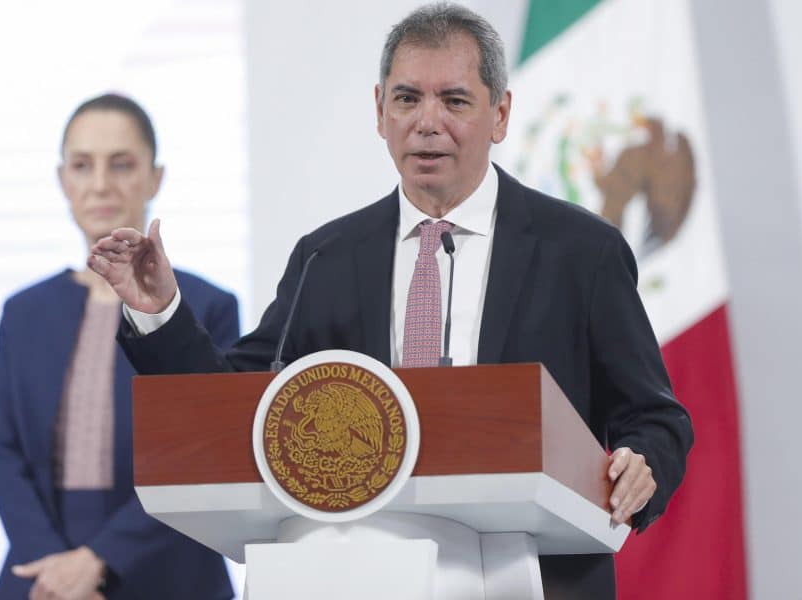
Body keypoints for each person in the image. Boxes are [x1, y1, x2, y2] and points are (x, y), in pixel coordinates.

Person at [89, 4, 694, 598]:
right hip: (356, 576)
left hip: (535, 575)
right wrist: (160, 309)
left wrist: (642, 462)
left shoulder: (580, 252)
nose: (427, 122)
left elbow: (655, 417)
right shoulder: (326, 257)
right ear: (380, 112)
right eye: (407, 99)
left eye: (454, 100)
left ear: (500, 113)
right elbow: (234, 409)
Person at [0, 93, 238, 599]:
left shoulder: (205, 307)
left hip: (168, 571)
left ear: (155, 177)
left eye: (121, 164)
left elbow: (203, 452)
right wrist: (52, 566)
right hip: (42, 580)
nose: (100, 184)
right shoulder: (24, 312)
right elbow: (3, 447)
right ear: (63, 181)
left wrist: (101, 561)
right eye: (82, 165)